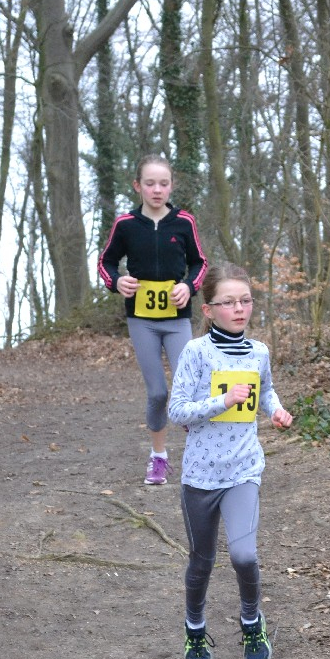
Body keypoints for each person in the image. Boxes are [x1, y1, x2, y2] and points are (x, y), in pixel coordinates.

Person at [167, 262, 293, 659]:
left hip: (243, 469)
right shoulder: (196, 352)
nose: (239, 309)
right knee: (201, 560)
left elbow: (266, 391)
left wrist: (275, 411)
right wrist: (222, 401)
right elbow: (176, 410)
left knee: (243, 554)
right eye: (228, 302)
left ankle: (252, 622)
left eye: (245, 300)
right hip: (201, 474)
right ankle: (195, 628)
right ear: (208, 310)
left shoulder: (259, 352)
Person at [98, 155, 209, 484]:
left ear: (171, 186)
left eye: (163, 183)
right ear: (138, 186)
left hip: (177, 319)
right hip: (141, 320)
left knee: (189, 387)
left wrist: (189, 287)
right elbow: (106, 262)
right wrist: (116, 281)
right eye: (150, 183)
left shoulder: (184, 222)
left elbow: (200, 263)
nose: (157, 189)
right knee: (158, 393)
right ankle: (158, 457)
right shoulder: (126, 224)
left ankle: (201, 453)